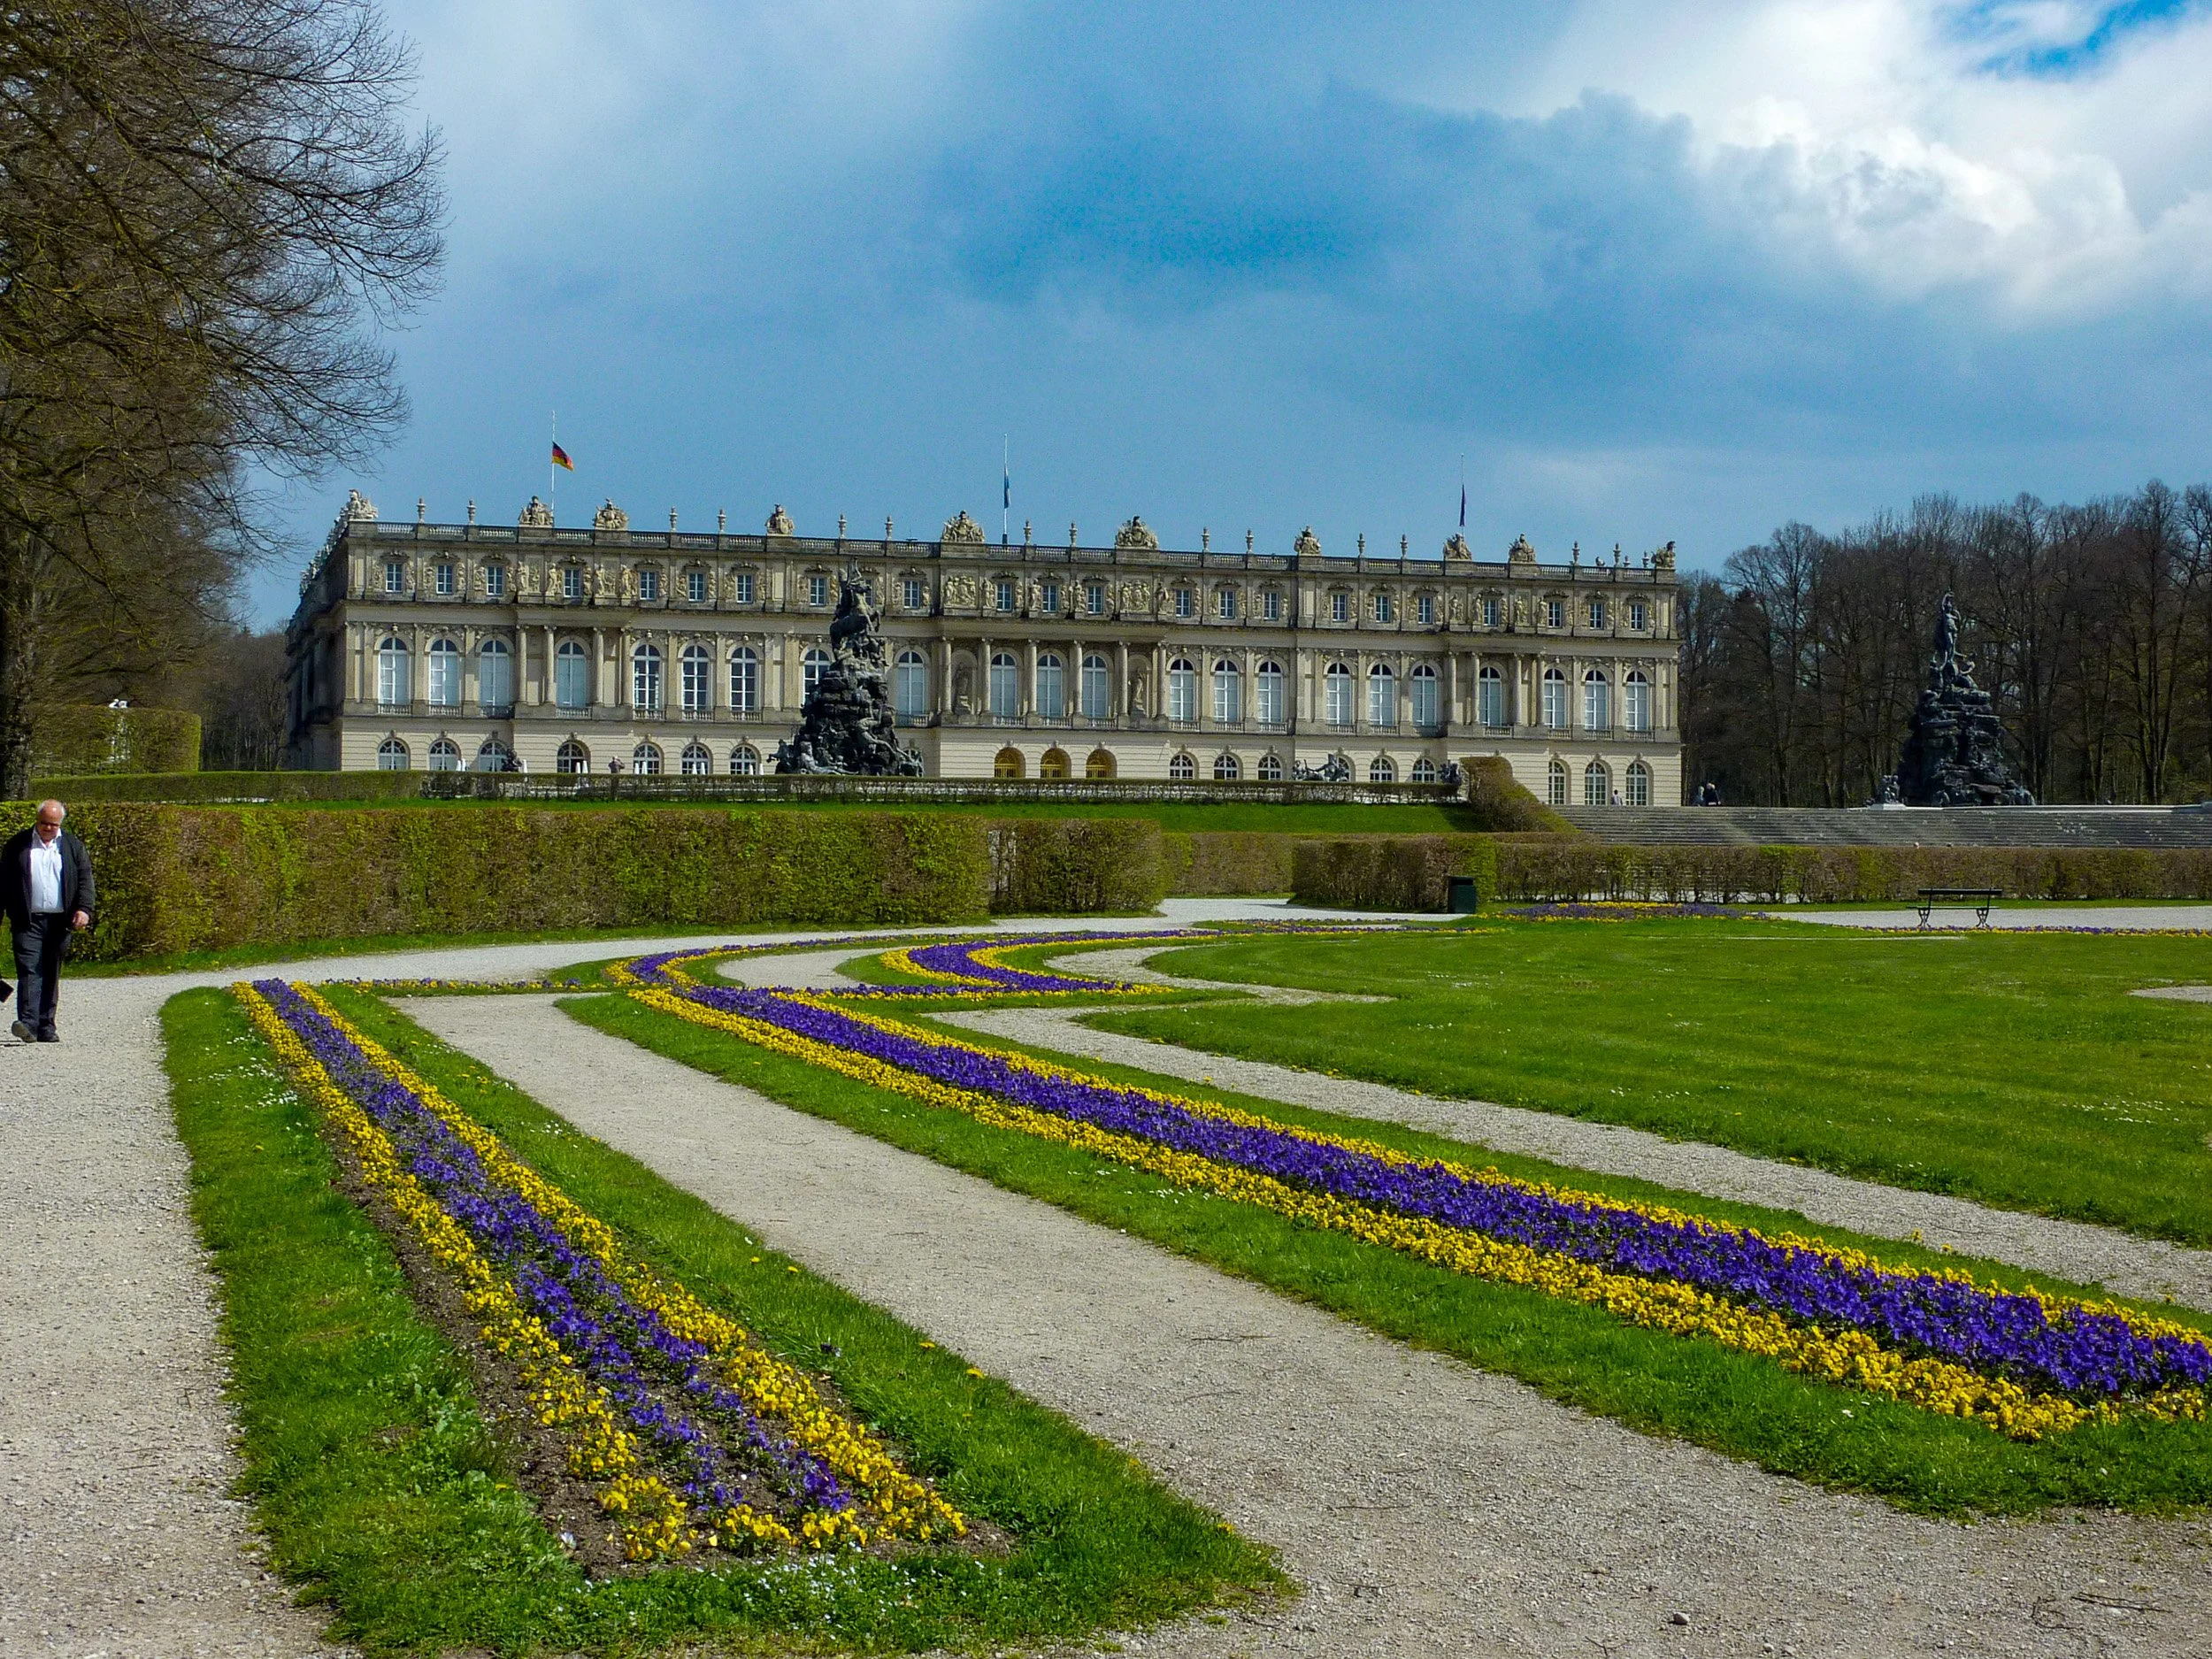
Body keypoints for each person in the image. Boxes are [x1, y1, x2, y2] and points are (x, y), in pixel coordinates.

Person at [4, 800, 94, 1042]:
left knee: (51, 970)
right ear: (37, 820)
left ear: (60, 824)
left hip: (60, 921)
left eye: (52, 825)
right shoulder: (18, 845)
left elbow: (85, 878)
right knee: (29, 969)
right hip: (27, 920)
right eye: (43, 823)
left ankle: (46, 1026)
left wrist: (84, 909)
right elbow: (4, 881)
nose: (47, 828)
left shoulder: (73, 846)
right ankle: (28, 1024)